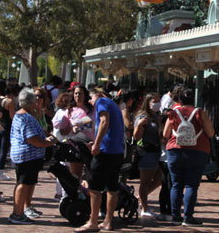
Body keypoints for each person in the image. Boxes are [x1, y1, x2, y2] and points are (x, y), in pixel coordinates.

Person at [162, 88, 215, 227]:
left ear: (179, 99)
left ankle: (175, 216)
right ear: (194, 99)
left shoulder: (173, 113)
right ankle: (188, 217)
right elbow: (210, 133)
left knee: (176, 184)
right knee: (191, 185)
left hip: (174, 150)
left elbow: (166, 134)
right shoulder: (199, 112)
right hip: (197, 151)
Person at [75, 88, 125, 233]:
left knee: (94, 188)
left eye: (90, 97)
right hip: (117, 151)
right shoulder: (114, 105)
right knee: (112, 188)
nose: (90, 101)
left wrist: (96, 143)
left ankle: (93, 221)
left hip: (105, 151)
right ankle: (108, 221)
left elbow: (103, 122)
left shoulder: (102, 102)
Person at [9, 88, 56, 224]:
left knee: (25, 183)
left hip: (27, 156)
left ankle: (19, 211)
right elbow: (32, 138)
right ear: (30, 102)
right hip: (27, 156)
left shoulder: (22, 115)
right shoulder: (26, 117)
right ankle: (17, 213)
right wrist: (47, 143)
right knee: (23, 184)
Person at [133, 92, 163, 218]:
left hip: (157, 150)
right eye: (154, 101)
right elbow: (136, 136)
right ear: (148, 102)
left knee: (159, 179)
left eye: (158, 100)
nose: (156, 103)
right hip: (146, 151)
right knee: (144, 181)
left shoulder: (157, 116)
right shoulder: (142, 117)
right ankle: (144, 207)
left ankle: (139, 198)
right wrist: (139, 125)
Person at [67, 85, 96, 180]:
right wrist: (72, 128)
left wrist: (77, 124)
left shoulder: (92, 109)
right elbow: (65, 126)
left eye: (80, 93)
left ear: (85, 95)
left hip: (90, 145)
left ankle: (89, 194)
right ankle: (77, 194)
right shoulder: (70, 110)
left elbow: (95, 122)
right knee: (75, 176)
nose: (78, 96)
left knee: (92, 175)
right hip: (75, 146)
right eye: (76, 93)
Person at [0, 84, 17, 181]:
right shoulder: (9, 102)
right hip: (7, 126)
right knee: (4, 149)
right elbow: (12, 116)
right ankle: (0, 171)